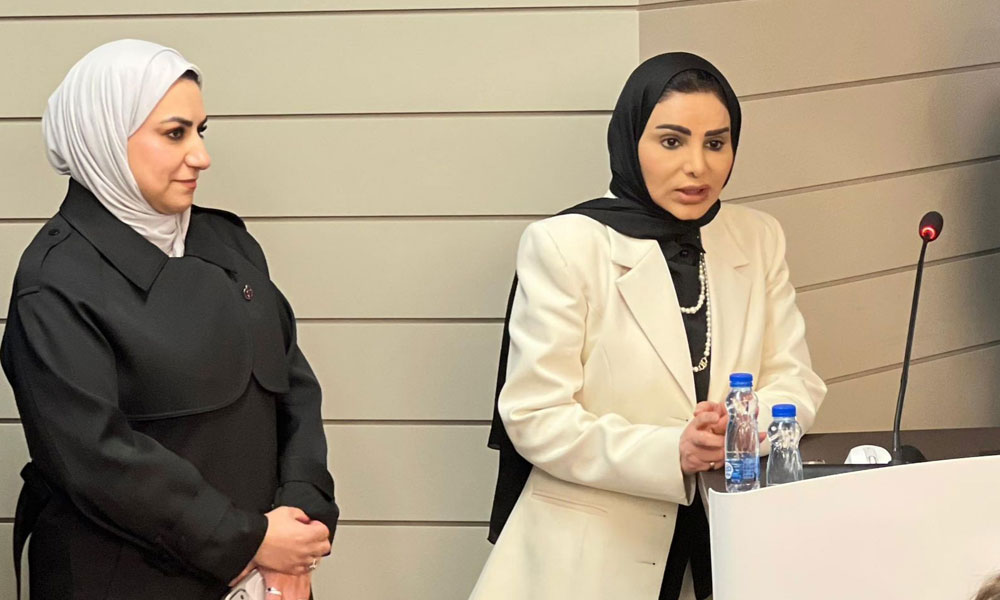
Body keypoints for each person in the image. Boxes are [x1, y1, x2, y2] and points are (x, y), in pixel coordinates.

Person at [472, 53, 826, 600]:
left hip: (733, 539)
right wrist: (672, 452)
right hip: (595, 554)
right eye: (671, 141)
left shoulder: (758, 237)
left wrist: (741, 431)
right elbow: (535, 416)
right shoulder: (567, 245)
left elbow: (795, 380)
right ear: (630, 140)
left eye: (716, 143)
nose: (697, 166)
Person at [1, 39, 338, 600]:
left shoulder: (229, 243)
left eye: (201, 131)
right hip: (127, 578)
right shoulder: (55, 282)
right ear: (103, 136)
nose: (201, 156)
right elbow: (98, 460)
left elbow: (294, 388)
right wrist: (250, 541)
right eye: (175, 133)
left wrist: (301, 523)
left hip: (269, 575)